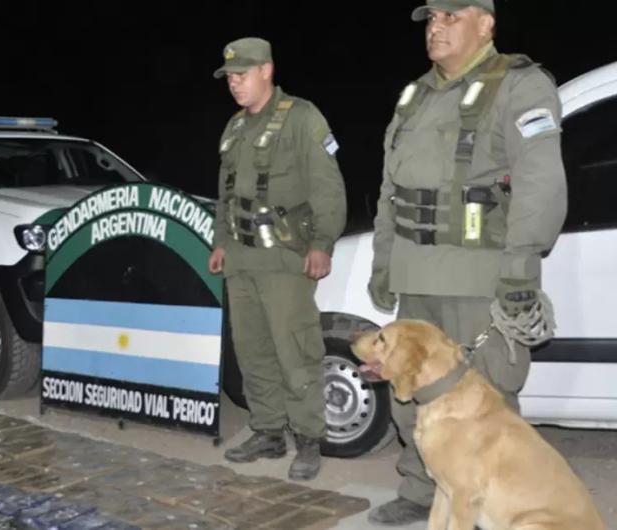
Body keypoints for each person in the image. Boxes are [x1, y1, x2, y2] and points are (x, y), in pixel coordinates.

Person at [366, 0, 567, 524]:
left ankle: (506, 504)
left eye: (451, 16)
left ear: (486, 23)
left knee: (487, 404)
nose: (436, 27)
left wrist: (520, 270)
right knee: (413, 388)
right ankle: (420, 487)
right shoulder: (416, 95)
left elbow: (541, 186)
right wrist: (384, 259)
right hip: (416, 272)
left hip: (481, 279)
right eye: (431, 19)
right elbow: (392, 187)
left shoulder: (520, 86)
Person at [209, 37, 347, 481]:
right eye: (230, 76)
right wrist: (220, 242)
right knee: (253, 352)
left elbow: (328, 186)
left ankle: (308, 439)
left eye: (242, 74)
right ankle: (267, 430)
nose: (235, 83)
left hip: (286, 259)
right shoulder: (233, 128)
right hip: (243, 260)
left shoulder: (302, 118)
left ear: (267, 70)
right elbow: (225, 196)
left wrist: (323, 242)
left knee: (296, 351)